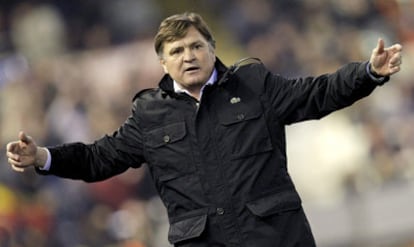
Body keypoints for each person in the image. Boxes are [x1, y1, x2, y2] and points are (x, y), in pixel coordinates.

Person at [6, 12, 403, 247]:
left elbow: (318, 94)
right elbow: (98, 158)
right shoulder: (149, 114)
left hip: (274, 238)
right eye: (176, 51)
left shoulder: (254, 85)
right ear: (163, 64)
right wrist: (43, 157)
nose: (188, 56)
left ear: (212, 50)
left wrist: (368, 73)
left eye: (196, 46)